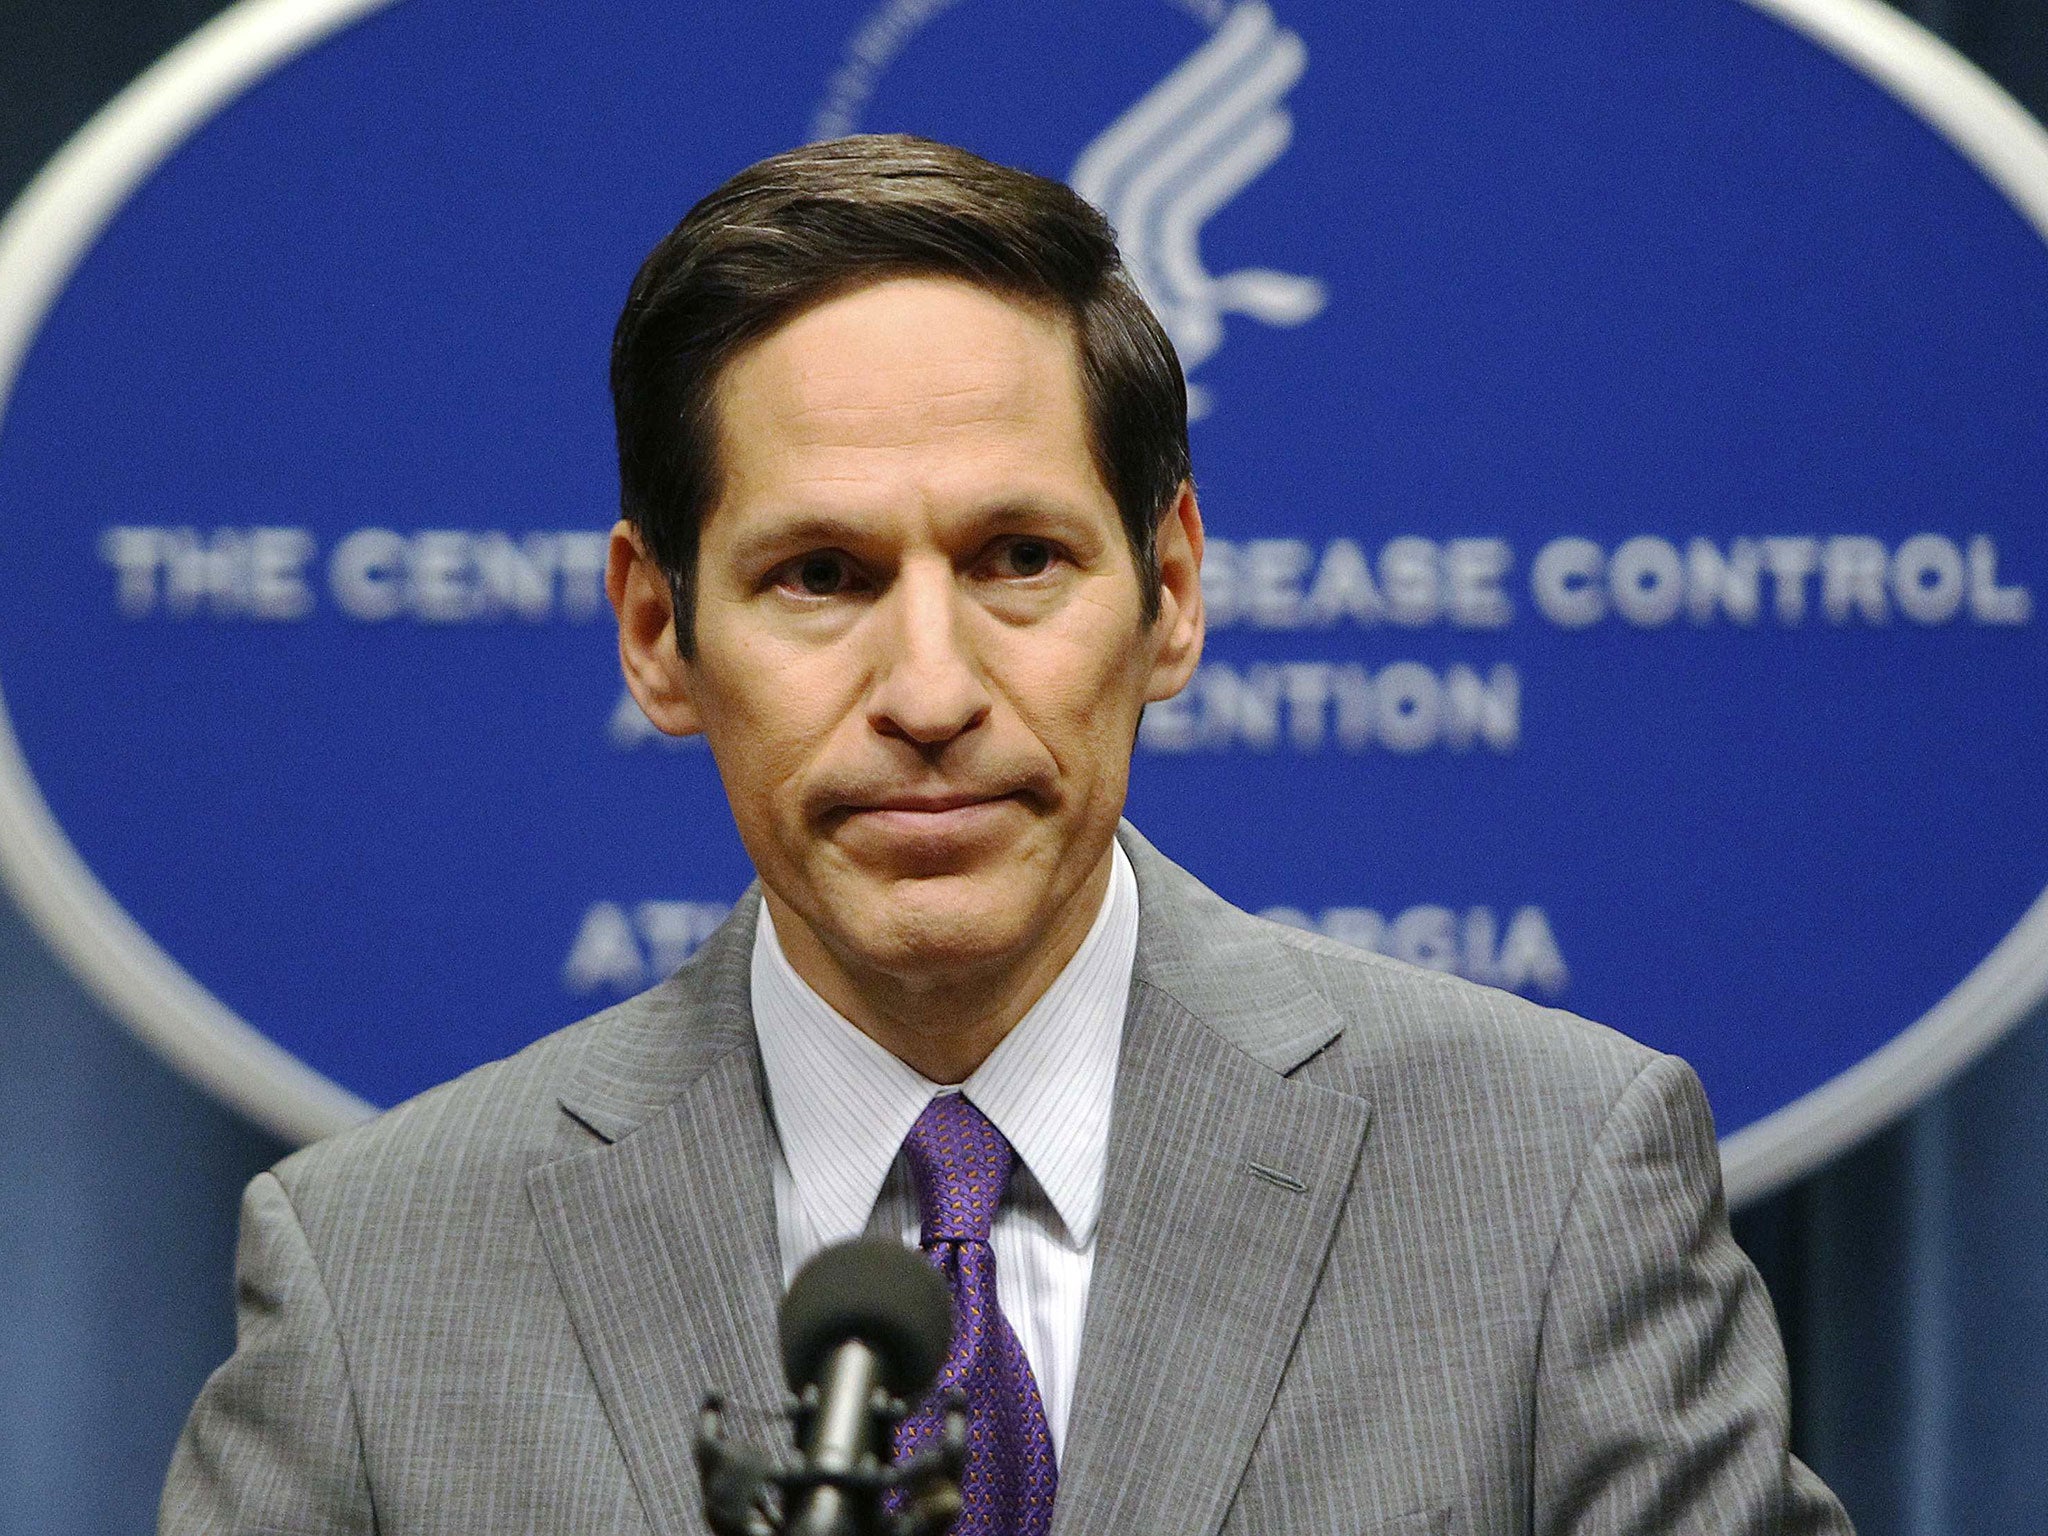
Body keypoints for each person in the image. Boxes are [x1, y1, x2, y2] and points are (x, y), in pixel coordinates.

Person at [162, 134, 1851, 1536]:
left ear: (1171, 593)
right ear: (657, 633)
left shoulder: (1548, 1189)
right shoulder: (376, 1284)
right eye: (819, 577)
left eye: (1017, 561)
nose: (929, 687)